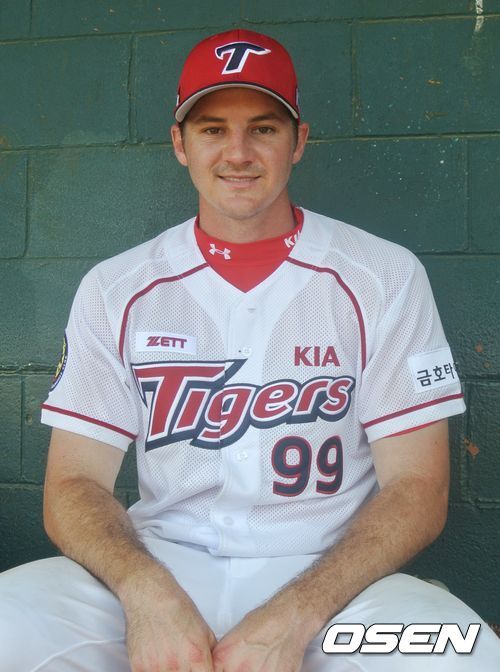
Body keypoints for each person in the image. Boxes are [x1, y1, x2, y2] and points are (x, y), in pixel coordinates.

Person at [0, 28, 499, 672]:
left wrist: (298, 614)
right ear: (180, 143)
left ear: (299, 141)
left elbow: (418, 486)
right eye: (212, 129)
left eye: (263, 128)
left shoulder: (383, 275)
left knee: (465, 653)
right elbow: (73, 483)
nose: (238, 152)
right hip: (157, 568)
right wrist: (145, 594)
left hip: (334, 587)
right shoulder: (116, 287)